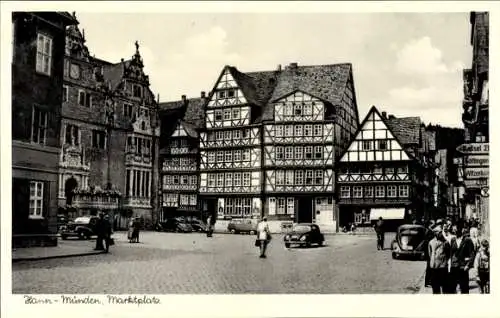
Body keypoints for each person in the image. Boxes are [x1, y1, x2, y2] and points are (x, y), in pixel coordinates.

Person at [448, 226, 475, 293]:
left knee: (464, 287)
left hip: (463, 266)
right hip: (454, 266)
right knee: (452, 287)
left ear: (462, 231)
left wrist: (468, 265)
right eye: (454, 230)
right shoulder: (453, 240)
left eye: (456, 230)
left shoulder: (468, 240)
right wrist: (449, 264)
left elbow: (472, 254)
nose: (455, 231)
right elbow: (451, 253)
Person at [428, 225, 451, 294]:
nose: (440, 234)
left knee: (444, 285)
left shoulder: (445, 242)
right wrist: (433, 260)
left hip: (442, 266)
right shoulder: (431, 242)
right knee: (435, 285)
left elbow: (448, 254)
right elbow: (430, 253)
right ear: (435, 233)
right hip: (434, 266)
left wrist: (444, 260)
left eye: (441, 232)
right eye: (438, 232)